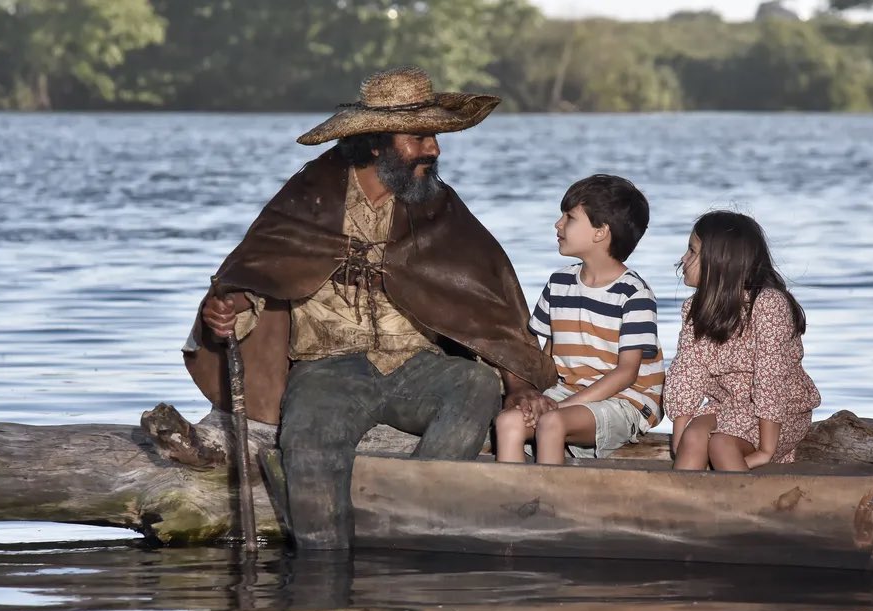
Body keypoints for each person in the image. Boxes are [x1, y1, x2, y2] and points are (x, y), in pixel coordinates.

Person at [182, 66, 556, 549]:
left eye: (435, 137)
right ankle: (323, 570)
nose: (434, 150)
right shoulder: (309, 198)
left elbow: (485, 296)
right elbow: (260, 270)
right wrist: (230, 310)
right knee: (309, 443)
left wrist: (519, 384)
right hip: (328, 368)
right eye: (418, 138)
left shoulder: (437, 206)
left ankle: (414, 525)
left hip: (418, 366)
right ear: (377, 143)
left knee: (475, 385)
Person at [495, 175, 664, 465]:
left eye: (569, 217)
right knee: (508, 421)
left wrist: (560, 406)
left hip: (625, 399)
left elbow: (627, 373)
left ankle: (551, 494)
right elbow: (547, 355)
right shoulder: (559, 283)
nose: (558, 224)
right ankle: (513, 493)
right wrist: (534, 396)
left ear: (600, 232)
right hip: (569, 392)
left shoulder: (634, 294)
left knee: (551, 422)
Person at [664, 210, 821, 471]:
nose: (683, 258)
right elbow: (687, 373)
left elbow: (770, 380)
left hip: (779, 414)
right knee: (693, 436)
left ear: (720, 261)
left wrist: (766, 451)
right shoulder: (695, 308)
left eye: (692, 251)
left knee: (721, 444)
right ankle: (685, 495)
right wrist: (679, 443)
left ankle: (740, 497)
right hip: (727, 408)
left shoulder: (768, 304)